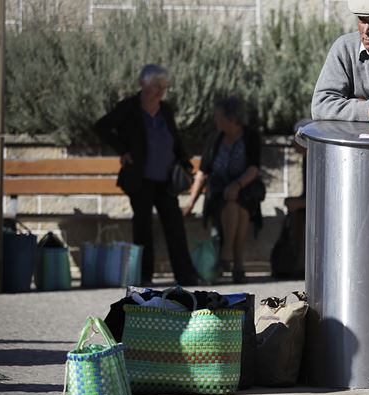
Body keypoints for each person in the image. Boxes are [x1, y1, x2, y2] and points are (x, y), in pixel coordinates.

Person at [94, 64, 202, 286]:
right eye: (156, 86)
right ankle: (144, 277)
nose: (160, 92)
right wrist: (123, 150)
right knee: (142, 227)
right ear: (143, 84)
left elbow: (174, 137)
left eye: (163, 87)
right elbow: (101, 127)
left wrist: (184, 161)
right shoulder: (128, 108)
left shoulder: (165, 110)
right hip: (140, 179)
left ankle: (186, 275)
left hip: (166, 179)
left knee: (175, 227)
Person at [182, 97, 263, 283]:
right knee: (232, 203)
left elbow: (254, 168)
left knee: (238, 202)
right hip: (218, 193)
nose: (215, 120)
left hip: (245, 190)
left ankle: (227, 255)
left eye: (218, 116)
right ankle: (238, 264)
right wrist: (190, 202)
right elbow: (203, 172)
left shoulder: (250, 136)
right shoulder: (215, 138)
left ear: (232, 118)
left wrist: (237, 185)